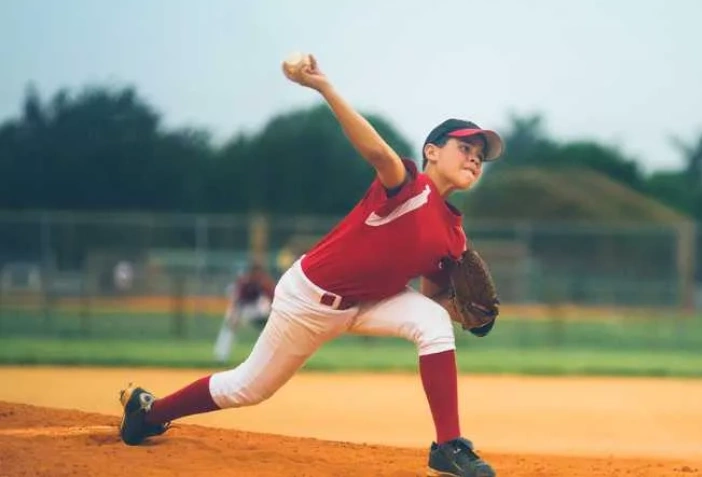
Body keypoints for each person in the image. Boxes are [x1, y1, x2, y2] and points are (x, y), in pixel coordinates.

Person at [117, 53, 504, 477]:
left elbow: (433, 296)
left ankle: (448, 447)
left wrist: (458, 310)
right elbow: (376, 151)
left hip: (373, 301)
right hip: (310, 299)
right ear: (431, 151)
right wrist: (323, 86)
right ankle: (148, 414)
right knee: (247, 388)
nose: (473, 159)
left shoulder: (454, 234)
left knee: (433, 324)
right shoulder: (409, 187)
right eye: (465, 147)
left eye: (479, 157)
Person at [212, 261, 275, 363]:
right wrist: (235, 315)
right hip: (244, 310)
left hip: (257, 311)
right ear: (252, 272)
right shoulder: (245, 282)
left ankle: (267, 358)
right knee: (229, 328)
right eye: (256, 272)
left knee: (269, 332)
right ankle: (220, 356)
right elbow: (238, 301)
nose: (258, 275)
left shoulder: (264, 282)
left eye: (259, 272)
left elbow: (272, 299)